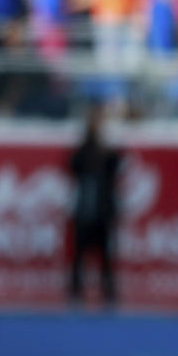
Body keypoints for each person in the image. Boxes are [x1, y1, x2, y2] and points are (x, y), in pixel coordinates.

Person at [68, 102, 121, 304]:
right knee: (79, 254)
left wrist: (105, 146)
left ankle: (108, 292)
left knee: (105, 255)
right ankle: (75, 291)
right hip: (83, 210)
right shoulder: (82, 150)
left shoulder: (109, 152)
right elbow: (74, 166)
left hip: (102, 210)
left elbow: (115, 167)